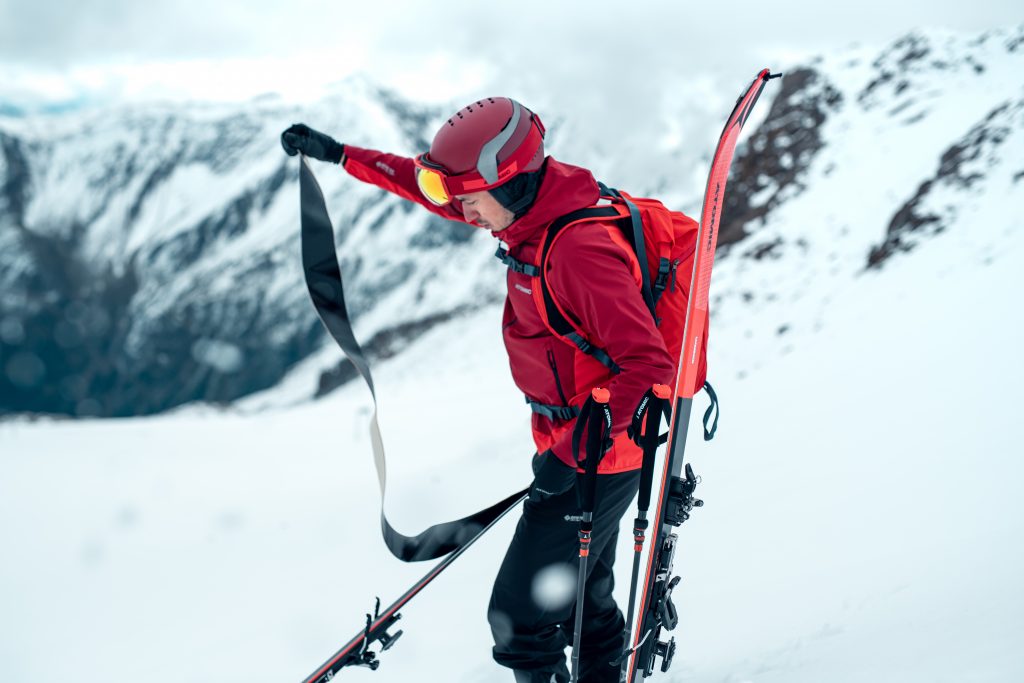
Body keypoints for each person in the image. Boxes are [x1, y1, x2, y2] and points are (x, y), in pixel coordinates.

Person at [282, 97, 676, 683]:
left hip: (596, 452)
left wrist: (569, 457)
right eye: (452, 196)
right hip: (578, 443)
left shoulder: (576, 250)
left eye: (464, 195)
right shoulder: (526, 211)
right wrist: (341, 155)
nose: (457, 209)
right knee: (584, 595)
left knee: (517, 618)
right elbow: (424, 188)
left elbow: (645, 360)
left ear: (510, 182)